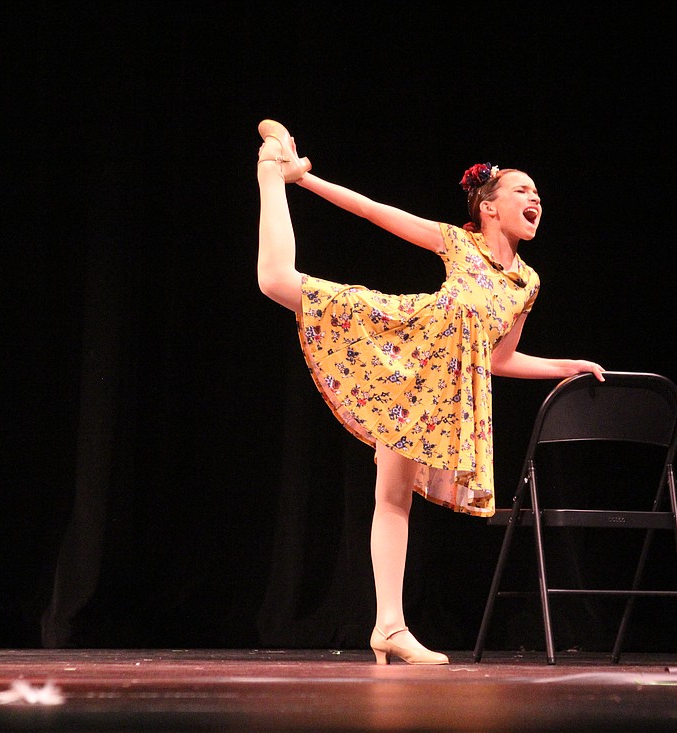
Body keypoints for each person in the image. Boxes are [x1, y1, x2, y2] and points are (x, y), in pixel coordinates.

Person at [255, 119, 605, 665]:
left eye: (537, 192)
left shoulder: (527, 282)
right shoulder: (459, 243)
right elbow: (373, 210)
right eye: (522, 190)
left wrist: (565, 367)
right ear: (489, 207)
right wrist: (304, 179)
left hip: (433, 395)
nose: (535, 198)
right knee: (276, 281)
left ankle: (388, 627)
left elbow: (498, 358)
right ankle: (270, 175)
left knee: (393, 499)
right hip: (404, 347)